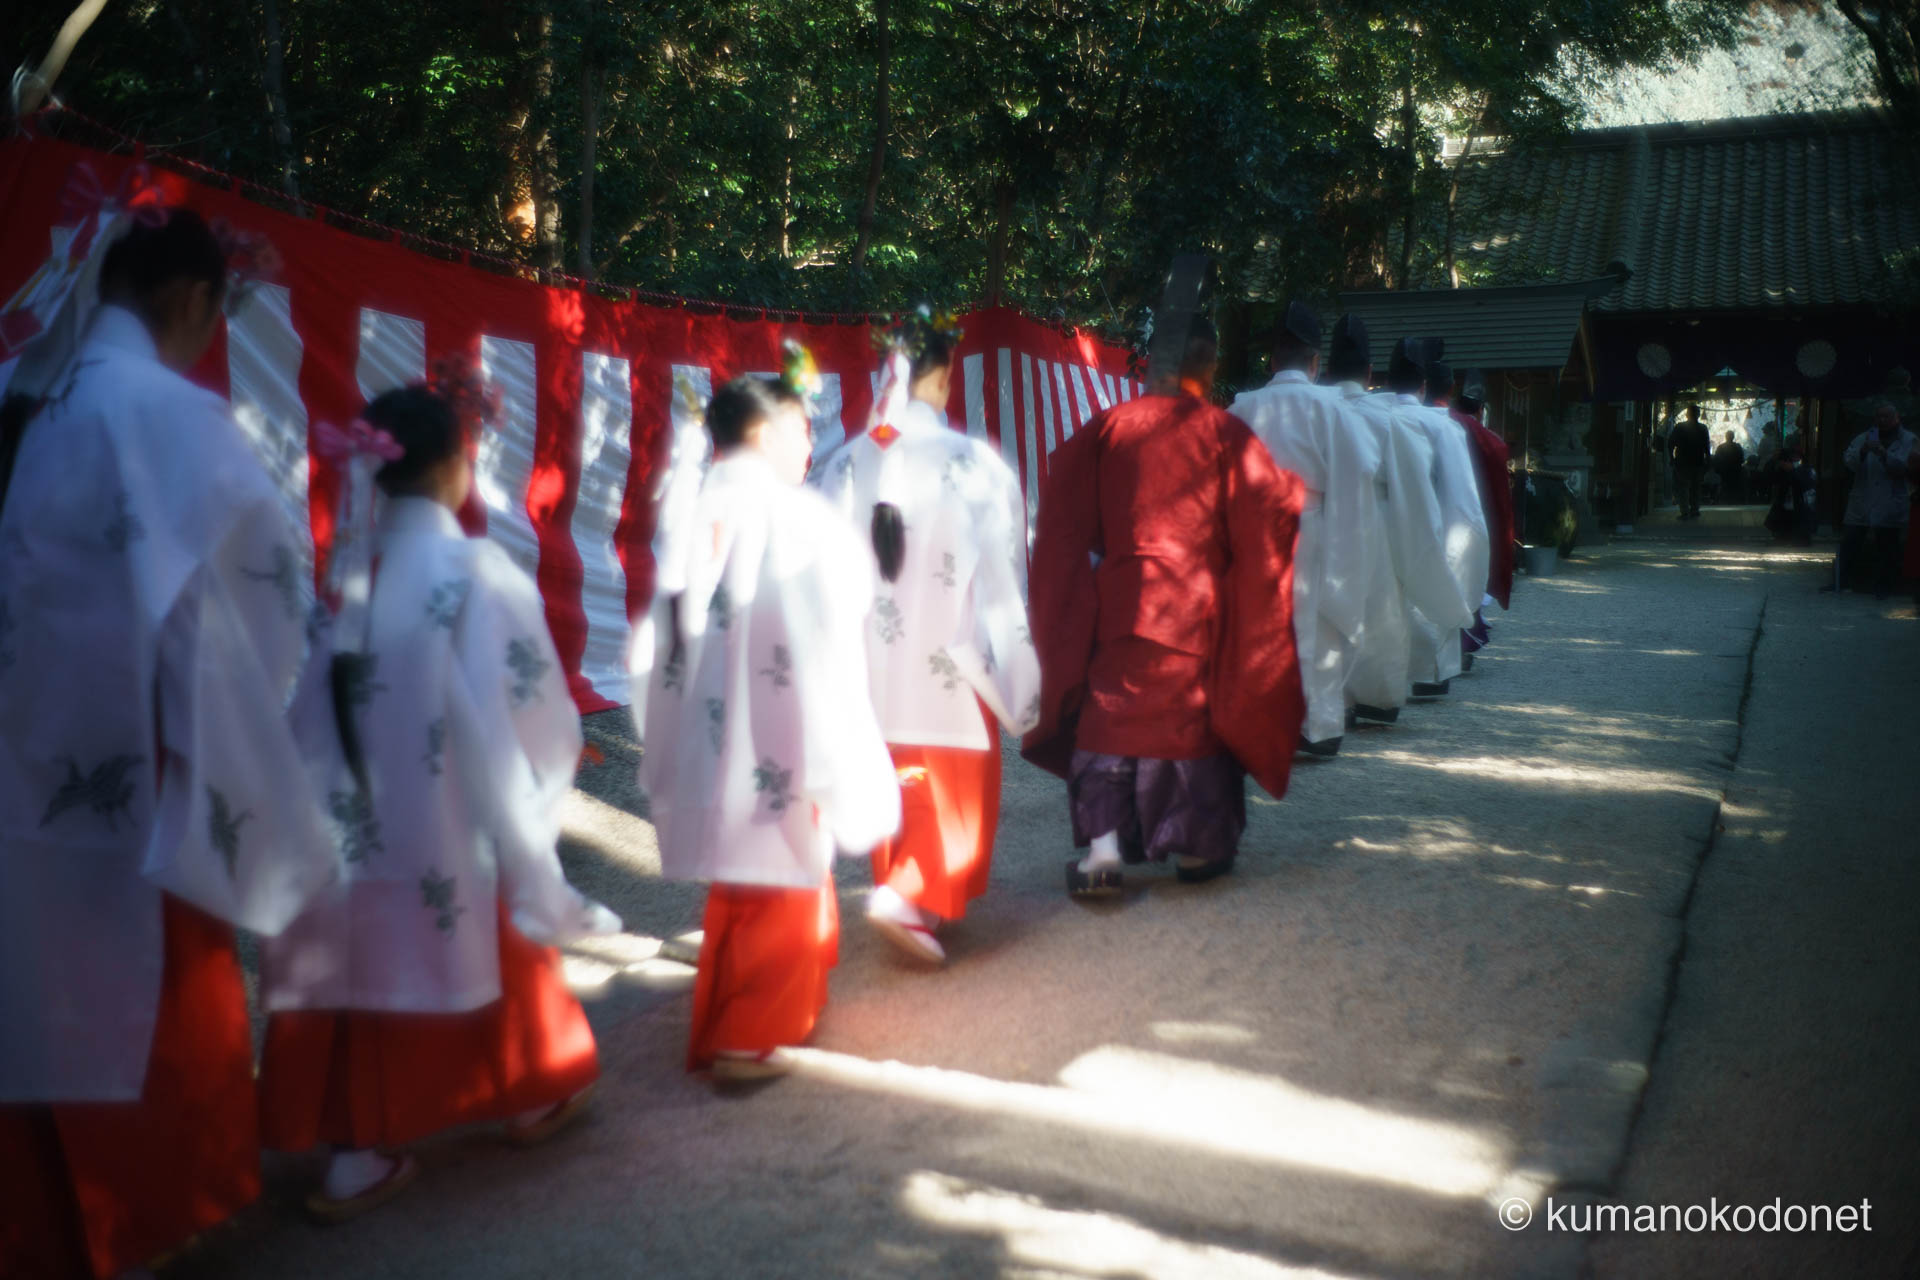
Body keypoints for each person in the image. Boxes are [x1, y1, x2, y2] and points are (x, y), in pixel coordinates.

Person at [0, 207, 339, 1278]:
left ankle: (58, 1218)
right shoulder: (165, 409)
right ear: (194, 299)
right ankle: (148, 1212)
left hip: (31, 730)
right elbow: (271, 579)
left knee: (43, 966)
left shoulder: (39, 400)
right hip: (140, 737)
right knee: (159, 972)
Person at [257, 377, 621, 1221]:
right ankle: (528, 1098)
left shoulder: (351, 576)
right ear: (457, 465)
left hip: (346, 826)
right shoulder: (472, 569)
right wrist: (545, 767)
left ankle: (356, 1153)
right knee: (495, 917)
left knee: (353, 959)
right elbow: (531, 698)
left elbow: (309, 717)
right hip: (449, 816)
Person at [632, 367, 899, 1080]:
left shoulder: (689, 512)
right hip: (780, 721)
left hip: (704, 726)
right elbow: (835, 626)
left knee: (740, 876)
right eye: (802, 426)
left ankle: (727, 1011)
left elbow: (657, 646)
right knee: (781, 871)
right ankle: (748, 1032)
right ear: (764, 429)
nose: (811, 441)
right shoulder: (795, 515)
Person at [1023, 317, 1306, 894]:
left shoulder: (1108, 427)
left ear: (1152, 364)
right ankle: (1197, 853)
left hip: (1125, 597)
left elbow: (1064, 514)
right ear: (1210, 369)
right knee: (1189, 721)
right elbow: (1264, 522)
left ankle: (1102, 853)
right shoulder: (1226, 434)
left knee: (1110, 712)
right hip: (1194, 605)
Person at [810, 312, 1039, 965]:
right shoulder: (973, 465)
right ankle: (909, 896)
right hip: (949, 666)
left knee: (895, 777)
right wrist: (1018, 671)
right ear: (941, 376)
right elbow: (1002, 581)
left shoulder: (844, 465)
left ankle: (899, 886)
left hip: (870, 670)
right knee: (953, 792)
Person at [1227, 300, 1381, 758]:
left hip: (1254, 531)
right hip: (1312, 526)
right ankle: (1317, 725)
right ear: (1315, 364)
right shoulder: (1333, 411)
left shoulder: (1242, 408)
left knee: (1258, 628)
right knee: (1317, 625)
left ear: (1271, 360)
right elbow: (1360, 472)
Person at [1375, 340, 1484, 698]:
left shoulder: (1372, 418)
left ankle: (1379, 684)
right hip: (1430, 531)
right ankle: (1429, 675)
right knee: (1428, 595)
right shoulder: (1442, 427)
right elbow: (1463, 503)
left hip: (1378, 532)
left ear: (1388, 381)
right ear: (1424, 386)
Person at [1429, 362, 1514, 665]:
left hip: (1433, 511)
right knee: (1465, 577)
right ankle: (1457, 646)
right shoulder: (1488, 440)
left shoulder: (1435, 423)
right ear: (1480, 408)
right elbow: (1498, 492)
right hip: (1469, 515)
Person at [1826, 400, 1915, 598]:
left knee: (1888, 548)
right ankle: (1840, 581)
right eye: (1879, 417)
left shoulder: (1909, 440)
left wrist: (1883, 454)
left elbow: (1905, 468)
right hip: (1863, 500)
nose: (1882, 421)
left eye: (1887, 417)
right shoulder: (1863, 438)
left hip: (1890, 501)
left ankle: (1884, 587)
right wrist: (1864, 451)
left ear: (1896, 418)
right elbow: (1849, 462)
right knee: (1849, 542)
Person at [1668, 404, 1712, 519]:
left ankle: (1685, 512)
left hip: (1682, 462)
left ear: (1687, 414)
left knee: (1683, 487)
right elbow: (1707, 447)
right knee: (1696, 487)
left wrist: (1671, 458)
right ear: (1698, 415)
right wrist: (1708, 460)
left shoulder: (1680, 427)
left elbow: (1671, 443)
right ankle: (1695, 510)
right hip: (1698, 462)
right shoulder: (1703, 428)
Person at [1713, 430, 1746, 504]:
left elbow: (1716, 459)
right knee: (1734, 486)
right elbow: (1742, 459)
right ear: (1733, 437)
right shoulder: (1737, 447)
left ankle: (1722, 500)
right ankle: (1734, 500)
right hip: (1736, 471)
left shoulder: (1721, 447)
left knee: (1724, 485)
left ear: (1726, 437)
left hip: (1724, 471)